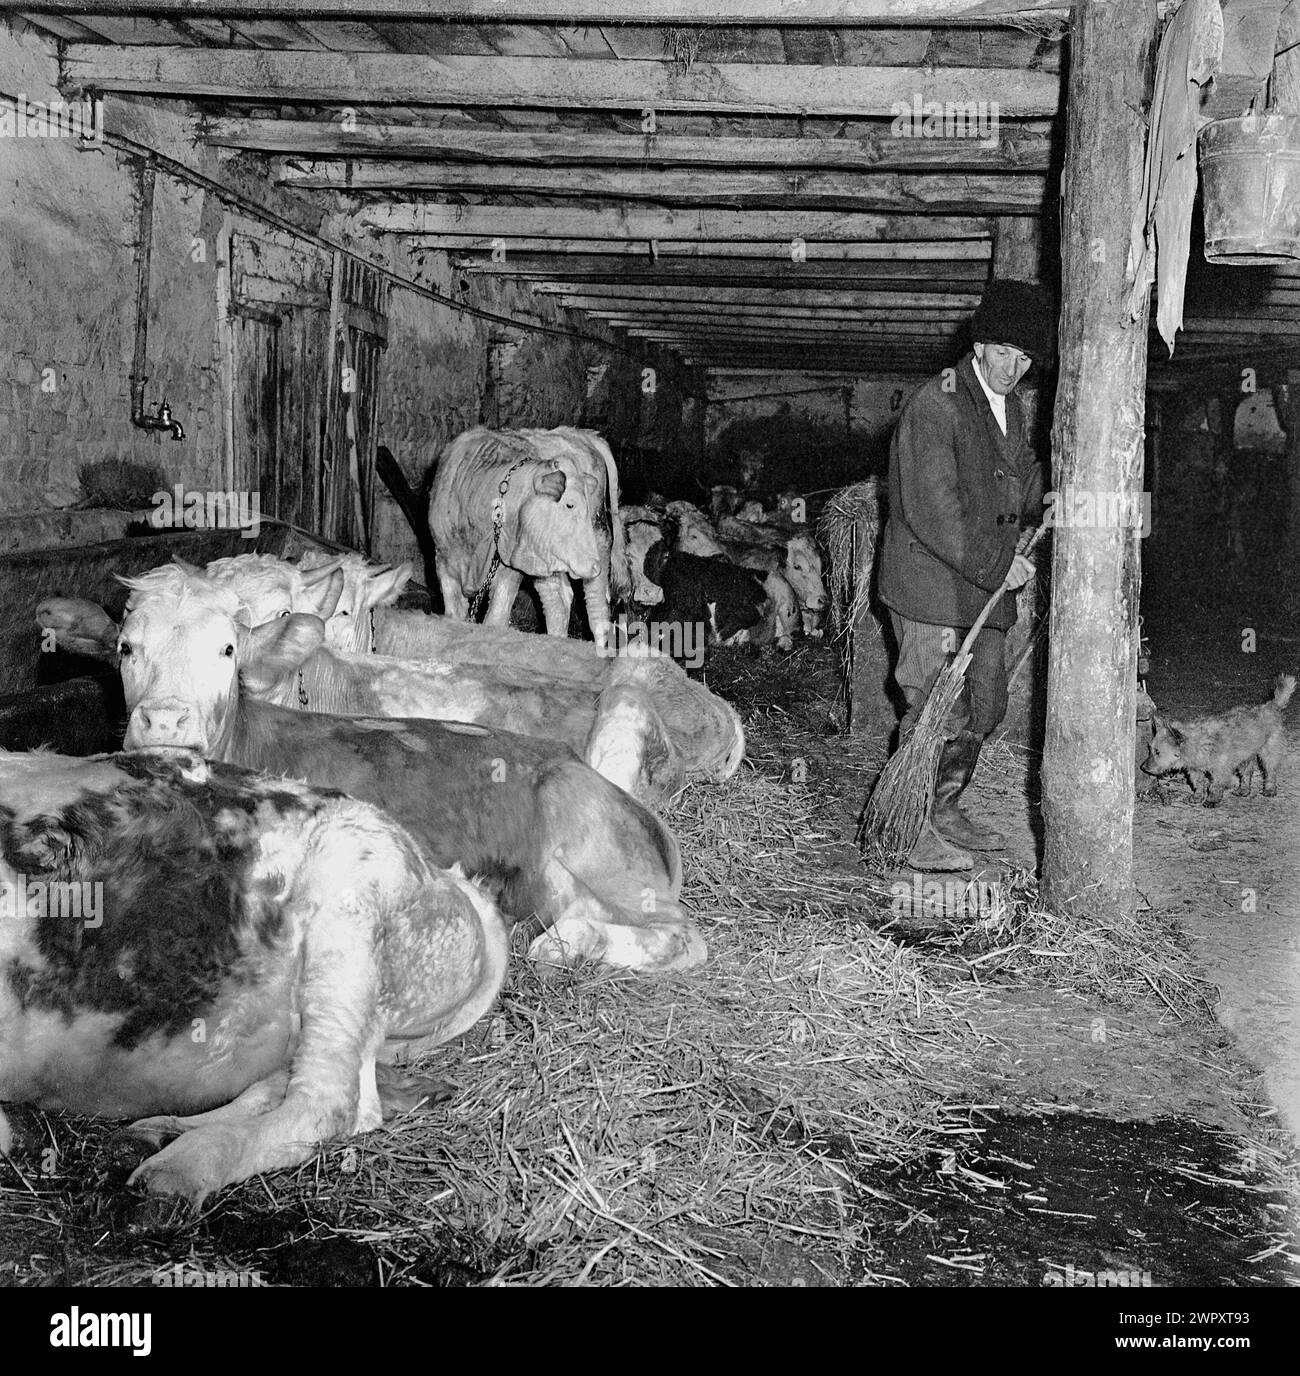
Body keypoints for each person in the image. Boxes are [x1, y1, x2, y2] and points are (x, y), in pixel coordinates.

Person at [877, 279, 1053, 871]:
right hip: (933, 588)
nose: (1012, 367)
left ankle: (946, 806)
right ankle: (910, 825)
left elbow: (1018, 480)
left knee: (985, 707)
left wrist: (1051, 492)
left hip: (983, 589)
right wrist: (1003, 564)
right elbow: (934, 510)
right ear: (979, 346)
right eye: (1003, 351)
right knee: (933, 707)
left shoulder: (1009, 408)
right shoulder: (938, 402)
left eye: (1025, 357)